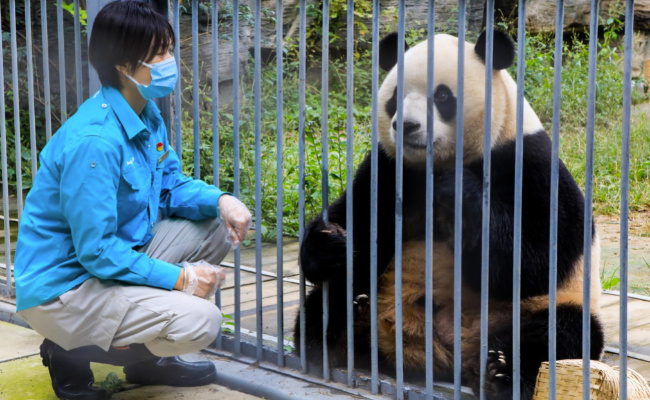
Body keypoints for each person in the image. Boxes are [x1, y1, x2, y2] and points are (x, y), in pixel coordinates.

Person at [13, 2, 252, 399]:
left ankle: (144, 362)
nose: (170, 61)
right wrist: (182, 281)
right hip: (65, 288)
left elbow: (170, 186)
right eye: (159, 53)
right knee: (201, 321)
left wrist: (222, 200)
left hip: (110, 257)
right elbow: (97, 251)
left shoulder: (145, 113)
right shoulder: (96, 142)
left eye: (169, 49)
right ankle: (67, 349)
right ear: (125, 66)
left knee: (214, 223)